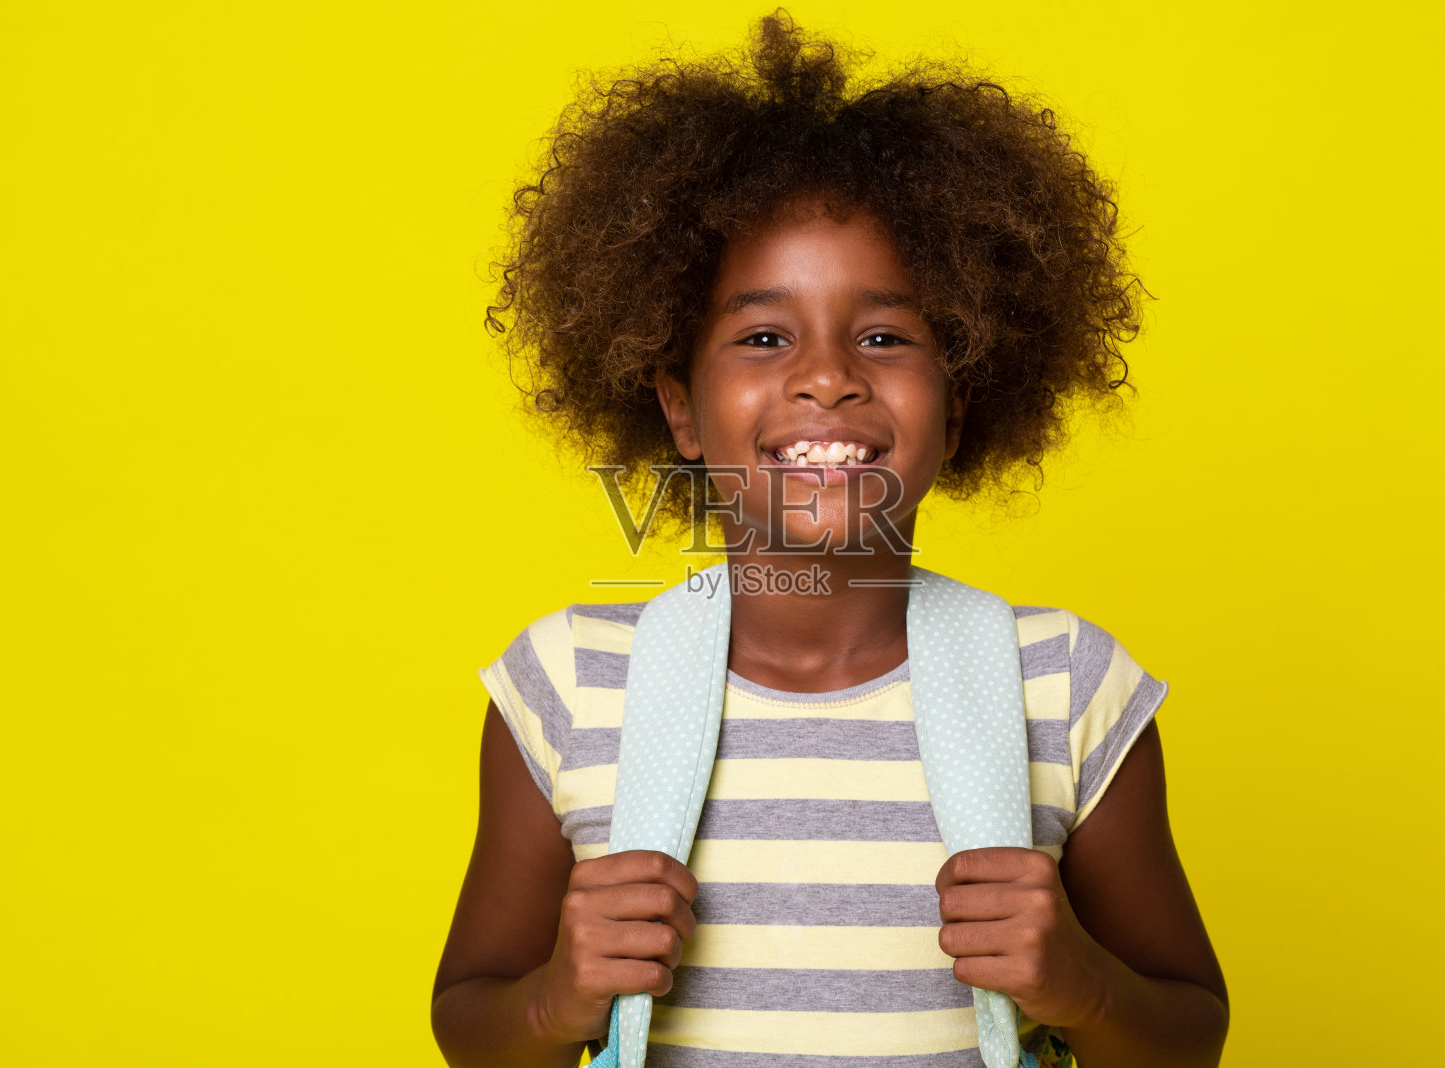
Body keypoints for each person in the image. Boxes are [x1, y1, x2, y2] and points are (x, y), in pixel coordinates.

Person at [432, 11, 1227, 1067]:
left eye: (884, 336)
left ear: (957, 404)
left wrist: (1081, 984)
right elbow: (470, 1024)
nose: (826, 377)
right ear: (679, 407)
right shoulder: (569, 687)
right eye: (764, 336)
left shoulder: (1066, 687)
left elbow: (1189, 1038)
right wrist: (551, 1002)